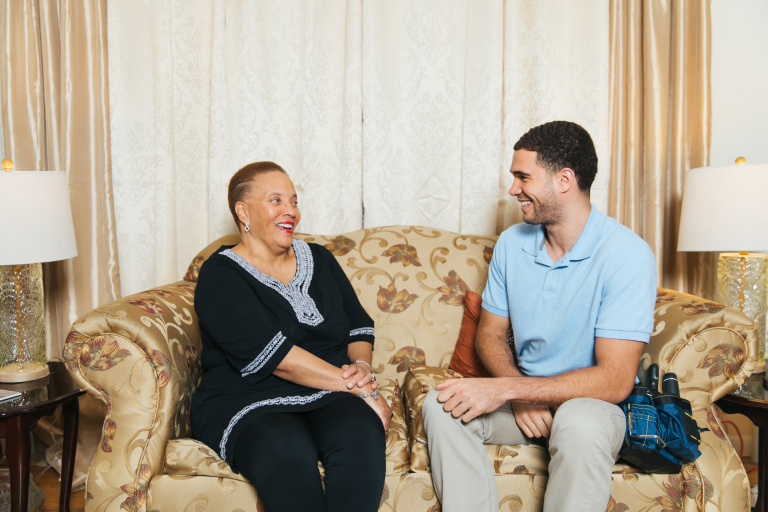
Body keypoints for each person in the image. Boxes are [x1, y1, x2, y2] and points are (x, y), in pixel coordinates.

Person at [423, 121, 656, 512]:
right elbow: (490, 335)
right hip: (526, 400)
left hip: (593, 405)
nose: (513, 189)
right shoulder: (513, 244)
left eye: (523, 177)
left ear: (564, 179)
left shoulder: (627, 255)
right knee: (441, 404)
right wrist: (517, 392)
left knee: (579, 422)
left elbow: (615, 380)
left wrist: (510, 391)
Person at [191, 161, 390, 512]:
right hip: (248, 398)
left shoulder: (320, 258)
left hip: (328, 389)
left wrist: (360, 367)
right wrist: (360, 387)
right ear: (243, 211)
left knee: (361, 433)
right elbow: (275, 357)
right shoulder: (220, 274)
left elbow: (358, 325)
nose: (291, 212)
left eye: (294, 201)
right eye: (276, 200)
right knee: (285, 448)